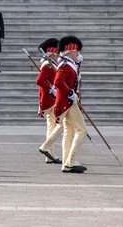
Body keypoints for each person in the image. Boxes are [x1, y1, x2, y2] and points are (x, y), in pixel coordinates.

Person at [53, 35, 87, 172]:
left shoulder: (69, 64)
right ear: (71, 52)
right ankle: (70, 161)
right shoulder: (66, 65)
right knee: (82, 130)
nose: (78, 54)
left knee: (69, 131)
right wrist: (70, 92)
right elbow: (58, 82)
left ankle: (68, 161)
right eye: (76, 52)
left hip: (68, 102)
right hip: (68, 102)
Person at [35, 38, 62, 163]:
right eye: (57, 54)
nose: (58, 56)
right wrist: (51, 88)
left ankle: (49, 155)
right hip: (49, 100)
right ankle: (45, 147)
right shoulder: (48, 65)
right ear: (52, 54)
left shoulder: (52, 64)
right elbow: (39, 80)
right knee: (61, 125)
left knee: (51, 127)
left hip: (52, 99)